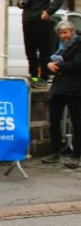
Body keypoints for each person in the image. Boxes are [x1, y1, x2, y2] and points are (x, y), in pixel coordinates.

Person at [18, 0, 65, 85]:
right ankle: (33, 76)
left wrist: (48, 12)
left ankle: (44, 76)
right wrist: (20, 3)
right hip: (27, 20)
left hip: (41, 21)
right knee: (30, 51)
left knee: (44, 51)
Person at [41, 20, 81, 169]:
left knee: (77, 123)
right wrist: (48, 64)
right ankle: (55, 152)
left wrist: (56, 65)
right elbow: (48, 59)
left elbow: (77, 64)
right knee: (54, 120)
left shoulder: (79, 44)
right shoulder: (58, 46)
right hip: (58, 88)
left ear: (72, 32)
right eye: (61, 33)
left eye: (65, 32)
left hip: (75, 89)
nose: (63, 36)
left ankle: (76, 155)